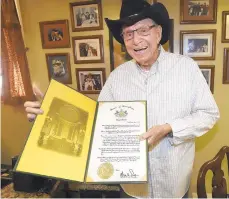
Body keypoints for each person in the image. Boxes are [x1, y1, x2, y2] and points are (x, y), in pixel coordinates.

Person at [24, 0, 220, 198]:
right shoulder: (117, 77)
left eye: (143, 30)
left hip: (174, 185)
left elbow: (209, 114)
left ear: (158, 33)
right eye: (128, 33)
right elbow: (93, 124)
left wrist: (169, 128)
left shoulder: (186, 68)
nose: (136, 40)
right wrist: (51, 111)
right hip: (131, 190)